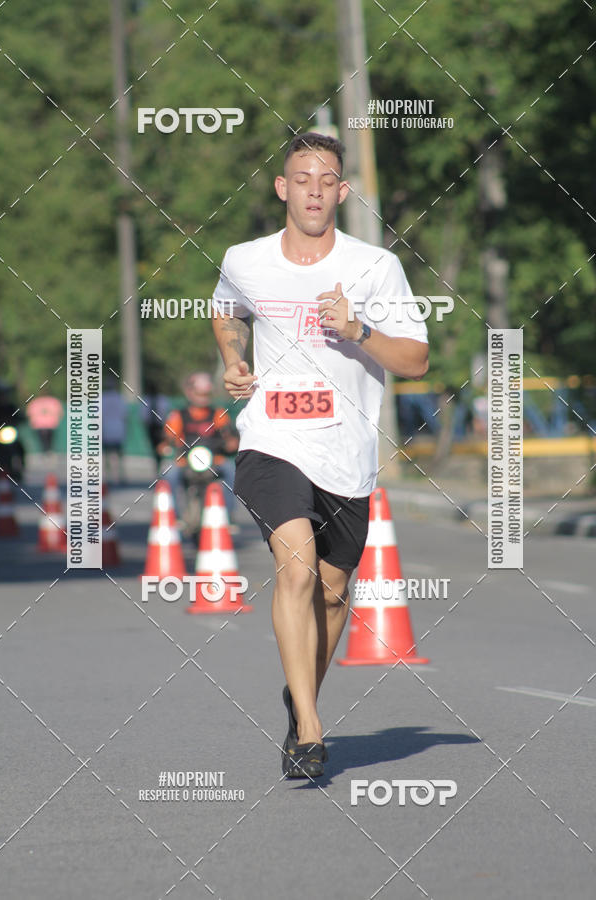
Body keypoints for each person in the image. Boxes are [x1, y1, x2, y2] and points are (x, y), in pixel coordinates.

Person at [211, 132, 429, 779]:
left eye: (324, 178)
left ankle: (298, 689)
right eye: (300, 177)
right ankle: (308, 730)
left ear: (342, 190)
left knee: (333, 596)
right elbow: (226, 310)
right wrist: (232, 358)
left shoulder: (374, 267)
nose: (312, 189)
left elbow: (416, 360)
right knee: (297, 568)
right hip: (271, 441)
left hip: (347, 454)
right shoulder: (245, 259)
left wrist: (358, 330)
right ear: (282, 187)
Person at [160, 372, 239, 522]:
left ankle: (228, 516)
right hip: (185, 461)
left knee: (231, 470)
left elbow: (229, 436)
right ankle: (174, 516)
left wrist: (231, 443)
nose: (203, 398)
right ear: (190, 392)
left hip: (214, 460)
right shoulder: (178, 415)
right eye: (200, 394)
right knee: (168, 474)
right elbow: (168, 437)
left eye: (206, 394)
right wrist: (167, 445)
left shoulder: (218, 414)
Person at [102, 380, 127, 485]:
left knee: (106, 454)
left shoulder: (101, 398)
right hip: (118, 429)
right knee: (116, 454)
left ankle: (106, 476)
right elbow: (125, 415)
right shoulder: (120, 398)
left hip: (106, 429)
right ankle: (116, 476)